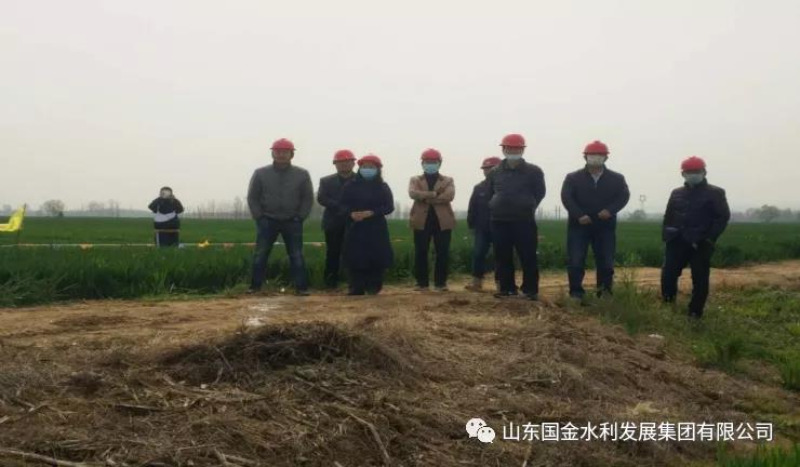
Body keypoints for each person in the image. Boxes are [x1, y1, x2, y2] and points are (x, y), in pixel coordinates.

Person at [661, 156, 730, 318]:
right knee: (668, 274)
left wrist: (708, 239)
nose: (693, 175)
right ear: (683, 174)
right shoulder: (677, 193)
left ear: (704, 172)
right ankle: (668, 306)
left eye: (696, 171)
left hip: (701, 242)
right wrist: (667, 235)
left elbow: (722, 218)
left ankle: (695, 312)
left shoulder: (715, 193)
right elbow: (668, 216)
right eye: (689, 172)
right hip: (677, 240)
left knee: (700, 278)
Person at [560, 140, 630, 299]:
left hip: (605, 226)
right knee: (576, 260)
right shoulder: (573, 178)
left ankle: (604, 294)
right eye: (592, 155)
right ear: (585, 157)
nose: (596, 157)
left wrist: (610, 210)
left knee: (606, 262)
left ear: (606, 157)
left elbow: (623, 196)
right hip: (579, 225)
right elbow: (566, 197)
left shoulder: (617, 178)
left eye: (600, 155)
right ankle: (576, 294)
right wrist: (579, 215)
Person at [246, 138, 314, 296]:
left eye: (285, 152)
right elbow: (253, 197)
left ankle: (301, 288)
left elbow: (307, 198)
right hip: (267, 220)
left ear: (291, 154)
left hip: (292, 221)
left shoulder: (302, 174)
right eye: (278, 152)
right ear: (273, 154)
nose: (281, 155)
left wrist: (300, 217)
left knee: (296, 255)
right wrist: (259, 217)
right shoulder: (261, 173)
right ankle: (255, 287)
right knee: (261, 254)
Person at [487, 133, 546, 300]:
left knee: (528, 256)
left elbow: (540, 192)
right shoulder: (495, 171)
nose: (513, 151)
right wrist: (495, 205)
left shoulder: (534, 171)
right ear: (503, 149)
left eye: (517, 149)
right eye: (509, 148)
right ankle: (507, 289)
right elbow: (491, 192)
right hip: (499, 221)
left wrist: (527, 205)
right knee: (502, 256)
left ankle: (530, 290)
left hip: (524, 220)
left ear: (522, 150)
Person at [340, 154, 395, 295]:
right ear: (359, 168)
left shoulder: (383, 187)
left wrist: (372, 212)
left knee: (377, 256)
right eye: (365, 167)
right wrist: (351, 213)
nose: (367, 169)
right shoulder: (350, 186)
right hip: (355, 227)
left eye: (371, 167)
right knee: (355, 256)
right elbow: (342, 205)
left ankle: (374, 285)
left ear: (378, 170)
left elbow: (389, 207)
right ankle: (355, 286)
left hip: (376, 227)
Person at [408, 148, 456, 292]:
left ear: (439, 163)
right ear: (422, 163)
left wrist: (426, 198)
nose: (430, 164)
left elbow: (449, 196)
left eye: (433, 162)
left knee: (442, 252)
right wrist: (434, 194)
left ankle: (440, 283)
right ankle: (421, 283)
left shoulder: (448, 180)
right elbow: (413, 193)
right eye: (427, 162)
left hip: (442, 221)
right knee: (421, 251)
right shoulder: (415, 179)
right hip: (421, 220)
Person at [317, 149, 357, 289]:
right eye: (340, 162)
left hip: (356, 222)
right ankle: (330, 282)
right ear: (335, 164)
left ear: (353, 163)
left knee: (355, 253)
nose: (344, 164)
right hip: (333, 222)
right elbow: (322, 198)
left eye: (347, 161)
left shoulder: (360, 180)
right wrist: (340, 207)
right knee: (333, 253)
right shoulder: (326, 181)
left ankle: (355, 282)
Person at [465, 156, 502, 291]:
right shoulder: (479, 188)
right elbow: (472, 207)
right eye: (485, 169)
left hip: (501, 227)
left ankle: (501, 283)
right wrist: (471, 224)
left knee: (501, 255)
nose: (487, 171)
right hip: (482, 228)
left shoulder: (504, 187)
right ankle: (476, 282)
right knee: (478, 253)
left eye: (490, 168)